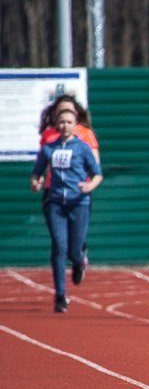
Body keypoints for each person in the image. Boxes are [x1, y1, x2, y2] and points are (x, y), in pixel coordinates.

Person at [30, 108, 102, 313]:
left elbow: (97, 174)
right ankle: (60, 295)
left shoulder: (83, 148)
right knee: (59, 247)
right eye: (61, 122)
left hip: (78, 202)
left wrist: (89, 186)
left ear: (75, 124)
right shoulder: (48, 149)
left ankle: (80, 262)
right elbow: (36, 173)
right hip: (55, 203)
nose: (65, 126)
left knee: (73, 250)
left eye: (69, 122)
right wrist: (36, 183)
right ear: (56, 125)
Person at [38, 95, 100, 277]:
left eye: (70, 112)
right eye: (61, 112)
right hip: (53, 191)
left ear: (76, 114)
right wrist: (39, 178)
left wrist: (86, 183)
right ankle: (60, 292)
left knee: (74, 241)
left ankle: (79, 256)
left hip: (77, 192)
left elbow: (95, 163)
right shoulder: (49, 135)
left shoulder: (85, 134)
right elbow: (44, 161)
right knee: (58, 242)